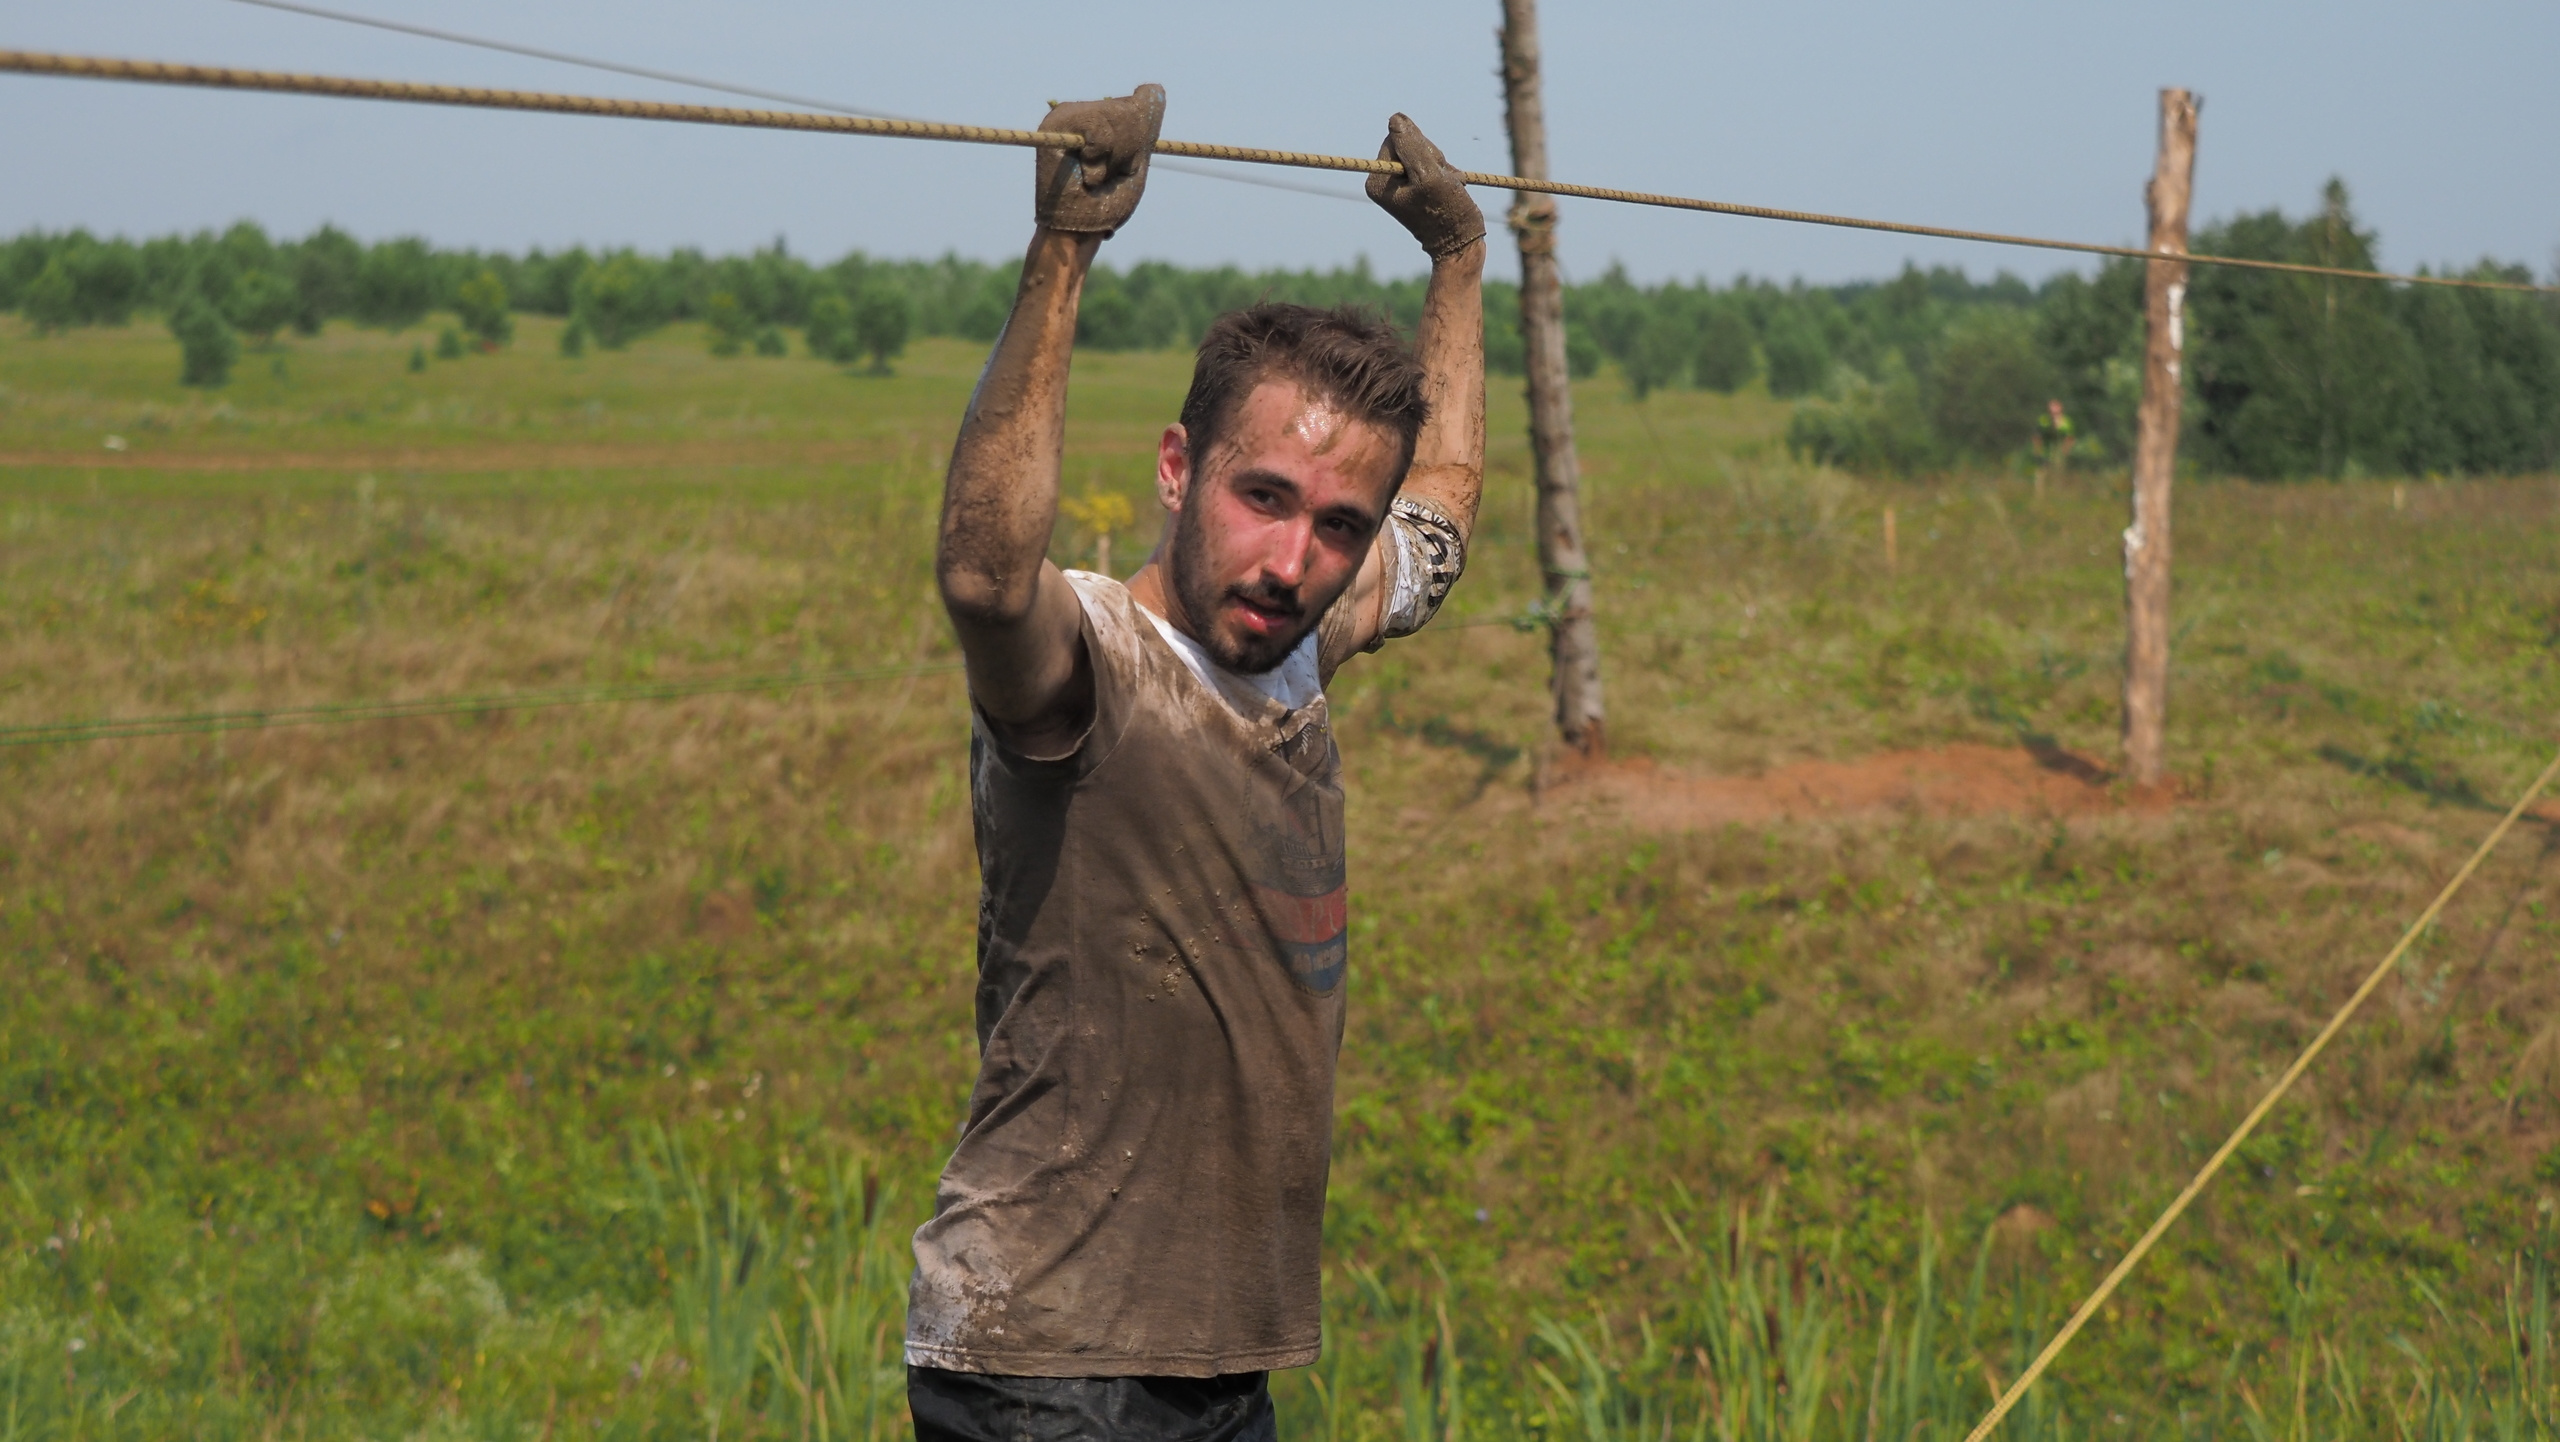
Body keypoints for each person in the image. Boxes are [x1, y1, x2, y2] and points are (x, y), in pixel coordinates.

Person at [908, 82, 1487, 1442]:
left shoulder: (1301, 641)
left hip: (1215, 1361)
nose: (1295, 559)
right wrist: (1066, 250)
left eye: (1337, 524)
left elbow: (1445, 505)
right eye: (1262, 496)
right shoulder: (1092, 666)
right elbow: (988, 578)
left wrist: (1458, 264)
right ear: (1178, 468)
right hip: (1049, 1359)